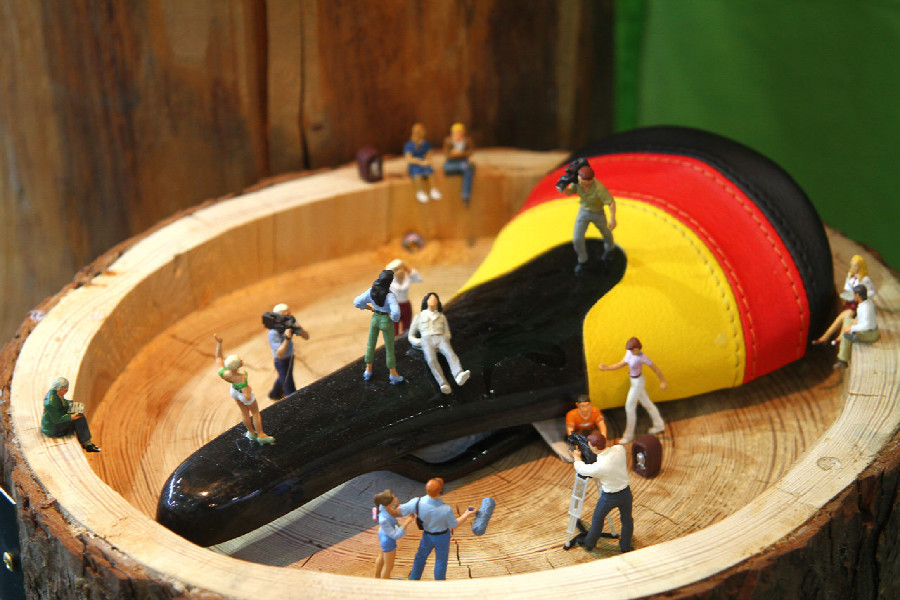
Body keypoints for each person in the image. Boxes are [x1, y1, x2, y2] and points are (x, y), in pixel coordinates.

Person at [399, 477, 475, 580]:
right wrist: (466, 514)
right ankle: (439, 582)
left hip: (427, 535)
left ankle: (413, 579)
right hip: (442, 536)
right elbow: (454, 525)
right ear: (441, 490)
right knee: (441, 561)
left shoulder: (417, 502)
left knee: (420, 557)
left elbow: (400, 510)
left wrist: (386, 506)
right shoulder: (446, 509)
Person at [571, 432, 633, 553]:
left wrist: (577, 458)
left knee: (597, 519)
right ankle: (625, 546)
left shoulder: (600, 466)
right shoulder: (620, 449)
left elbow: (582, 470)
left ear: (594, 447)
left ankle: (589, 543)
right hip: (626, 493)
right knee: (627, 520)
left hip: (609, 497)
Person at [598, 337, 666, 444]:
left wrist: (663, 381)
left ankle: (628, 435)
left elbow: (656, 369)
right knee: (647, 404)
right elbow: (621, 364)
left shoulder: (642, 357)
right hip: (633, 380)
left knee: (629, 407)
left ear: (638, 348)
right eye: (630, 349)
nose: (632, 351)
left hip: (638, 382)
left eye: (633, 349)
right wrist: (607, 367)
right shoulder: (629, 353)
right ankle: (659, 425)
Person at [213, 334, 274, 444]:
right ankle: (260, 435)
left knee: (244, 412)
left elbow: (218, 358)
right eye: (239, 361)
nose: (241, 360)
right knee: (255, 412)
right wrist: (248, 392)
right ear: (237, 366)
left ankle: (251, 433)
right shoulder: (242, 376)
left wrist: (219, 344)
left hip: (234, 391)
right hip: (243, 394)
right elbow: (247, 396)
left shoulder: (225, 373)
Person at [408, 292, 470, 394]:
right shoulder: (419, 316)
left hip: (440, 338)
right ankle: (443, 383)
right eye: (431, 299)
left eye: (435, 299)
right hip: (426, 339)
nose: (433, 301)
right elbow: (411, 335)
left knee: (450, 354)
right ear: (426, 301)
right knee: (431, 360)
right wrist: (420, 342)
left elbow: (447, 332)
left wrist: (445, 339)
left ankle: (458, 375)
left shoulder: (441, 317)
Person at [562, 161, 617, 275]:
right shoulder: (577, 183)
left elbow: (611, 202)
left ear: (590, 181)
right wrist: (562, 187)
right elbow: (569, 192)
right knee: (577, 239)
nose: (581, 184)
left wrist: (612, 218)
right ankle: (583, 261)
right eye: (580, 181)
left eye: (584, 183)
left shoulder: (599, 189)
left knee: (606, 232)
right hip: (583, 212)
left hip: (598, 214)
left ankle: (610, 249)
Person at [353, 270, 404, 384]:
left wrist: (367, 307)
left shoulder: (371, 291)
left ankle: (368, 370)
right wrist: (393, 319)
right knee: (389, 348)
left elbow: (356, 302)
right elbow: (396, 312)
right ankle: (393, 373)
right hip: (386, 320)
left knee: (370, 344)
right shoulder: (390, 296)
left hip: (375, 319)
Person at [814, 254, 876, 345]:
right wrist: (848, 293)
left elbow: (872, 292)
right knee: (840, 318)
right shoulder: (850, 276)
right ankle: (826, 337)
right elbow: (847, 288)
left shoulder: (865, 279)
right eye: (853, 265)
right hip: (850, 301)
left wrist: (863, 295)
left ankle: (839, 338)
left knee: (846, 316)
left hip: (859, 303)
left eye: (856, 266)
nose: (853, 268)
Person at [40, 376, 101, 452]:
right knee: (79, 419)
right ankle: (87, 444)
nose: (66, 391)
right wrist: (71, 417)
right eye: (65, 390)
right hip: (53, 429)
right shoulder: (51, 403)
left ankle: (87, 442)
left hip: (59, 418)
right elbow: (57, 420)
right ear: (59, 389)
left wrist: (69, 403)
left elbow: (62, 403)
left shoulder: (57, 394)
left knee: (78, 412)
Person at [267, 303, 309, 400]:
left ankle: (274, 394)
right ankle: (293, 401)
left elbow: (306, 336)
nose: (290, 316)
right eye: (287, 315)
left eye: (290, 314)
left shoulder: (290, 322)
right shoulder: (273, 332)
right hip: (281, 361)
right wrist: (286, 339)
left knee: (284, 376)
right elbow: (279, 354)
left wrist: (300, 329)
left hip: (290, 357)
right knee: (289, 387)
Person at [833, 284, 879, 370]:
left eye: (854, 294)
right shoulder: (865, 303)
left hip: (869, 333)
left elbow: (867, 325)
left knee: (846, 336)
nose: (853, 296)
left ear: (857, 295)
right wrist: (856, 319)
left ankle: (843, 360)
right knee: (847, 321)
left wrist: (852, 328)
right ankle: (850, 335)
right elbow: (862, 317)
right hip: (867, 329)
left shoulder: (866, 307)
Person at [373, 489, 416, 579]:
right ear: (389, 503)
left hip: (383, 533)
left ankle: (377, 577)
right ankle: (384, 581)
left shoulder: (384, 507)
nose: (396, 498)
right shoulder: (384, 519)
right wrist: (407, 522)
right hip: (388, 540)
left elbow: (395, 512)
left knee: (382, 557)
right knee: (389, 566)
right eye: (394, 498)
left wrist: (397, 506)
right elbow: (395, 535)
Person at [404, 123, 442, 204]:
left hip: (424, 162)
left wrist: (427, 161)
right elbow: (409, 158)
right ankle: (420, 192)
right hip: (415, 163)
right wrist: (419, 162)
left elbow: (429, 156)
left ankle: (433, 189)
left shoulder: (426, 144)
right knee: (417, 174)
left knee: (430, 172)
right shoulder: (409, 145)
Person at [386, 259, 423, 335]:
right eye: (397, 269)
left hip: (405, 305)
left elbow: (419, 279)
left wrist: (409, 270)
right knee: (394, 327)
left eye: (401, 268)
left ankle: (406, 339)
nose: (400, 271)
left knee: (407, 327)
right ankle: (394, 341)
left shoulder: (407, 278)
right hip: (394, 305)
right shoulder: (389, 281)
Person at [442, 122, 475, 206]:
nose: (458, 135)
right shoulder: (448, 141)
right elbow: (447, 154)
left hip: (463, 161)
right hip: (451, 163)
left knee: (468, 171)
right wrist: (456, 154)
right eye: (456, 133)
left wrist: (459, 153)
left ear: (463, 133)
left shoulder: (467, 141)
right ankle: (462, 167)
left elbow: (469, 152)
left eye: (460, 133)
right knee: (446, 167)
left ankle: (465, 196)